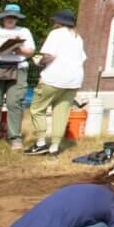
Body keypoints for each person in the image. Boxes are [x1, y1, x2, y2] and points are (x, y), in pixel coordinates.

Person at [26, 10, 86, 156]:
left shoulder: (56, 34)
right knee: (61, 112)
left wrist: (39, 61)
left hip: (54, 77)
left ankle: (40, 143)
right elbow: (83, 58)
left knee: (37, 108)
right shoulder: (78, 37)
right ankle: (54, 146)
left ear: (59, 22)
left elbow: (49, 55)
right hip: (74, 80)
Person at [0, 4, 36, 149]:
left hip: (18, 68)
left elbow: (31, 51)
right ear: (3, 18)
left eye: (14, 17)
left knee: (14, 104)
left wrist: (19, 50)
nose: (11, 19)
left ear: (17, 18)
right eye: (8, 16)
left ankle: (15, 138)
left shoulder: (24, 31)